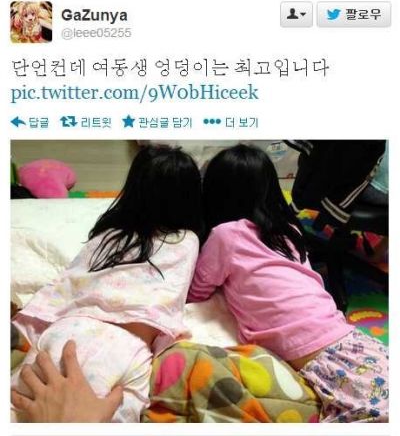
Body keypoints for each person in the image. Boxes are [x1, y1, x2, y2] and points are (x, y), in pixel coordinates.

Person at [187, 144, 388, 423]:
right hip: (348, 336)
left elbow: (197, 291)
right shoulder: (289, 229)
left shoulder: (225, 235)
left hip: (318, 355)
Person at [11, 146, 203, 423]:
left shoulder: (107, 235)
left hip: (65, 331)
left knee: (19, 406)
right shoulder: (186, 240)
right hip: (126, 346)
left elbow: (70, 279)